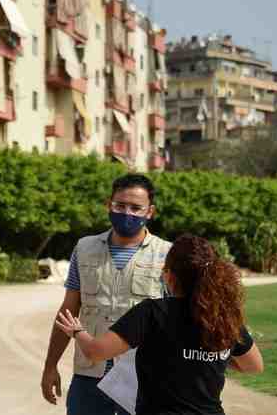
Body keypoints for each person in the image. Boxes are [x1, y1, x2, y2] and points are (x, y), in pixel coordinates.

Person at [55, 235, 264, 415]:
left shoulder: (153, 312)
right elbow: (254, 365)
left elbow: (96, 352)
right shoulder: (224, 316)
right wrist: (213, 357)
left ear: (170, 275)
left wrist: (77, 331)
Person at [40, 174, 172, 414]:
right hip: (89, 376)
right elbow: (68, 311)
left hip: (144, 378)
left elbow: (179, 320)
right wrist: (50, 366)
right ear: (108, 205)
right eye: (120, 205)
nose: (127, 213)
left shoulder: (166, 255)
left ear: (150, 212)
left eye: (136, 208)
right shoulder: (84, 248)